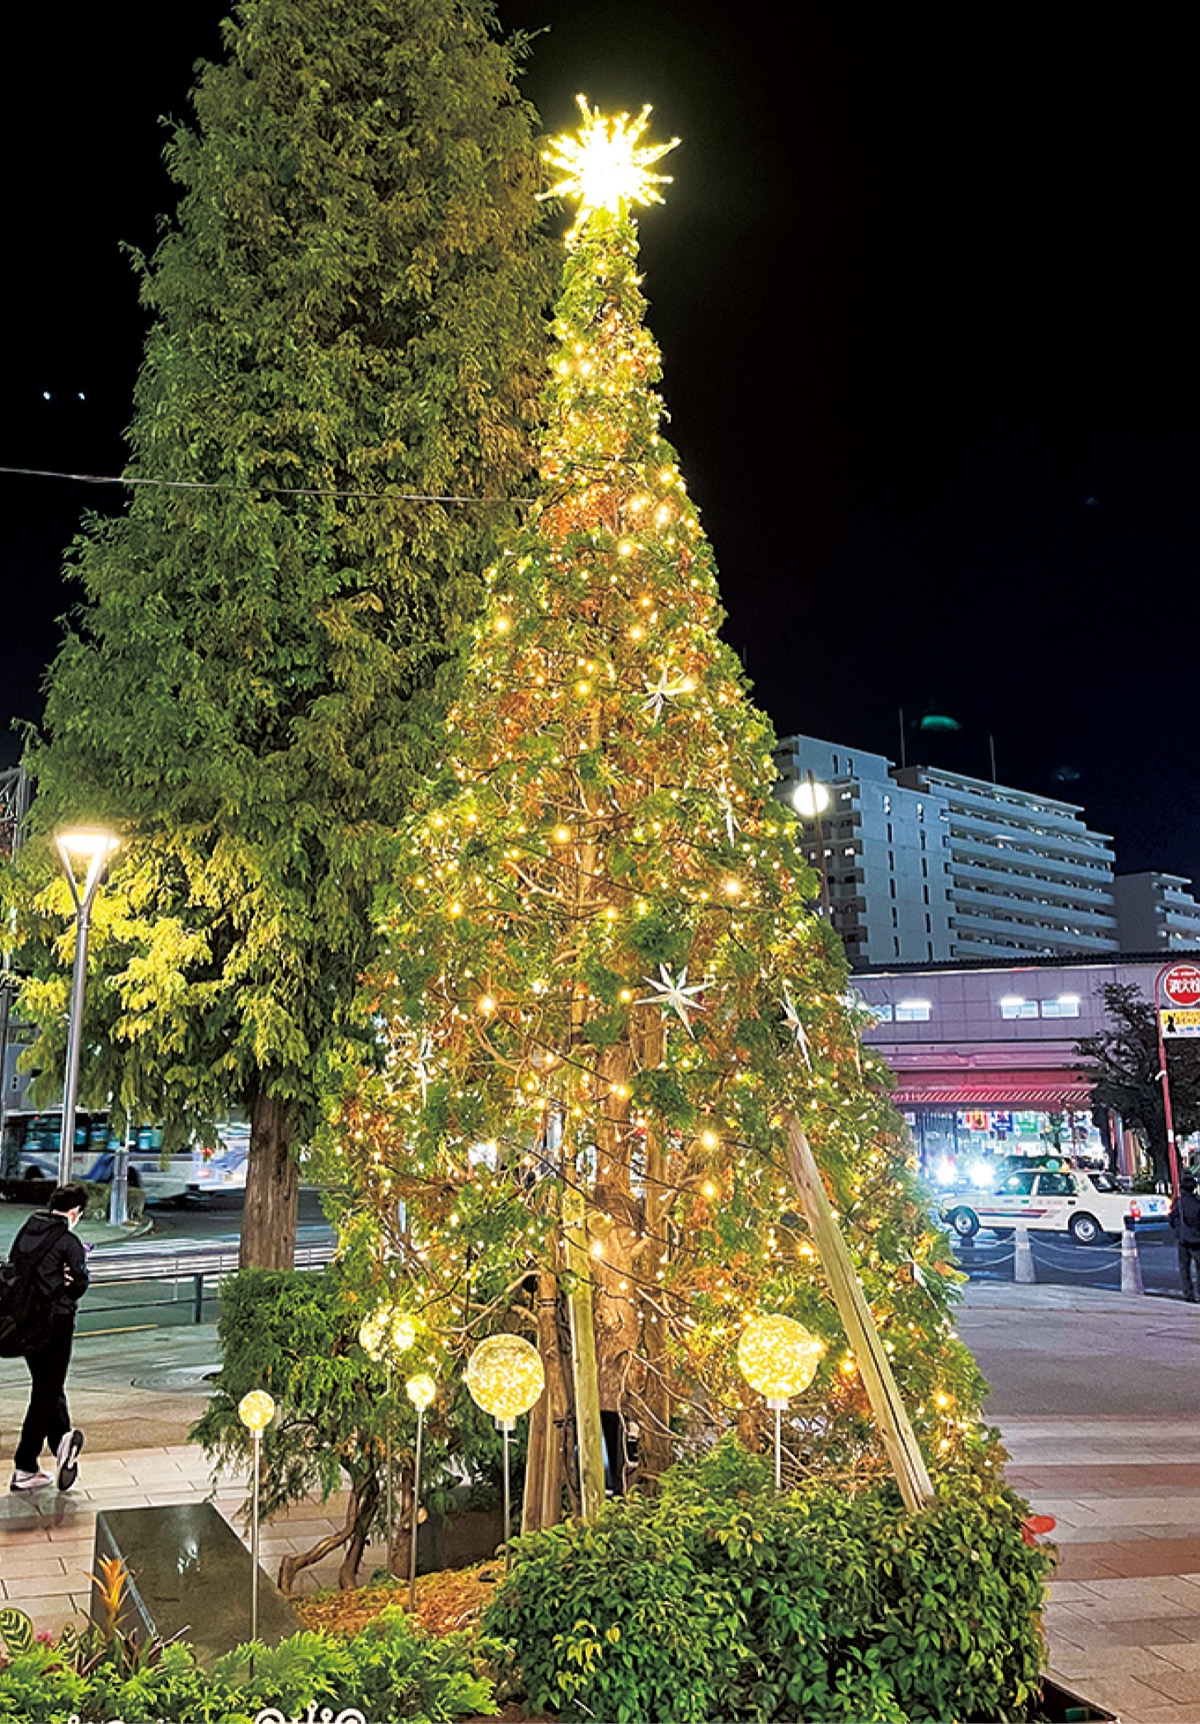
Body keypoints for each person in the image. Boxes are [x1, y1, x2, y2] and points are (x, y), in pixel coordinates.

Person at [8, 1184, 89, 1491]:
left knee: (48, 1386)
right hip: (56, 1323)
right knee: (47, 1392)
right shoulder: (68, 1241)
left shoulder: (27, 1230)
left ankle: (62, 1443)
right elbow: (79, 1283)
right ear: (73, 1212)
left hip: (26, 1323)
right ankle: (25, 1465)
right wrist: (68, 1282)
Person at [1169, 1170, 1200, 1304]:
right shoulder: (1197, 1203)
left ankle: (1189, 1294)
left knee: (1184, 1268)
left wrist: (1178, 1229)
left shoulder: (1178, 1204)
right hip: (1197, 1240)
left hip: (1182, 1239)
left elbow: (1171, 1220)